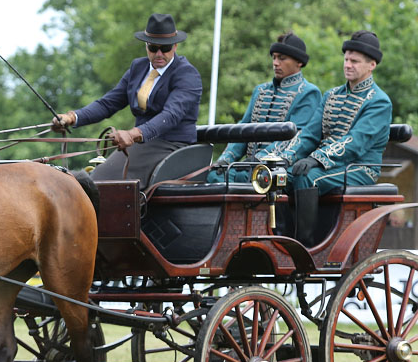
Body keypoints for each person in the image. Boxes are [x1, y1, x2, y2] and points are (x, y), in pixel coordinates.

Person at [52, 13, 202, 189]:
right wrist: (72, 117)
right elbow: (108, 103)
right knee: (93, 178)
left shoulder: (187, 74)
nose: (159, 54)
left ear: (175, 46)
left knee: (100, 182)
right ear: (146, 46)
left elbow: (170, 115)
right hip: (141, 144)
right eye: (153, 48)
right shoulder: (138, 68)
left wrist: (133, 134)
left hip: (172, 144)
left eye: (165, 48)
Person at [269, 30, 392, 244]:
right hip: (330, 165)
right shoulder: (332, 95)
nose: (348, 65)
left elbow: (355, 142)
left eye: (354, 61)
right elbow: (309, 135)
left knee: (308, 177)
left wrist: (316, 159)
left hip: (359, 168)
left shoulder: (379, 101)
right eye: (346, 59)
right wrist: (286, 158)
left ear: (372, 65)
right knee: (278, 177)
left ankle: (304, 245)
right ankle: (280, 238)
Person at [207, 32, 321, 183]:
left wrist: (260, 159)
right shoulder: (261, 91)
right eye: (274, 57)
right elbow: (243, 129)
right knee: (215, 175)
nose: (275, 63)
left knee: (245, 177)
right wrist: (226, 159)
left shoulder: (308, 92)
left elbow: (296, 136)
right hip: (249, 165)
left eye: (282, 58)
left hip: (280, 165)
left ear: (299, 62)